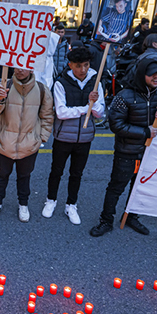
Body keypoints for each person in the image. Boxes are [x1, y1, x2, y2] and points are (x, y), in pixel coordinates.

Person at [89, 55, 157, 238]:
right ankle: (106, 221)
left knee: (140, 188)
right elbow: (116, 125)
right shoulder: (124, 96)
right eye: (152, 74)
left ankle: (132, 217)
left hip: (151, 153)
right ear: (142, 74)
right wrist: (145, 132)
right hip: (127, 153)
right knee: (116, 187)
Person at [44, 47, 106, 225]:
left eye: (86, 65)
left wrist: (93, 105)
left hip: (85, 138)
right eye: (78, 66)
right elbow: (61, 112)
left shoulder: (96, 83)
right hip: (63, 136)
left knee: (76, 173)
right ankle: (50, 200)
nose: (83, 69)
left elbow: (100, 112)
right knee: (56, 171)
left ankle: (71, 204)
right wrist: (87, 107)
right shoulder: (61, 83)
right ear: (70, 65)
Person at [0, 67, 54, 222]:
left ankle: (23, 204)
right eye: (17, 66)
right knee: (2, 174)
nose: (19, 70)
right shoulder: (4, 85)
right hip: (5, 141)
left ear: (31, 68)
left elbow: (47, 116)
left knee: (24, 176)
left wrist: (41, 138)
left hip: (29, 144)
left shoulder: (42, 90)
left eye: (24, 67)